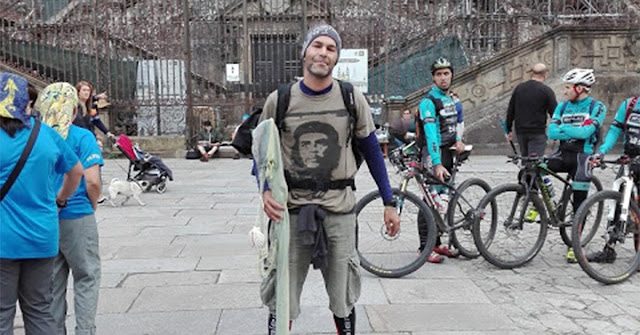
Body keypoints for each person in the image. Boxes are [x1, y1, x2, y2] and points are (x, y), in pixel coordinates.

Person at [257, 24, 399, 334]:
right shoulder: (279, 100)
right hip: (289, 213)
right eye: (317, 45)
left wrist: (389, 201)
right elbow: (261, 155)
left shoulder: (351, 98)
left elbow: (373, 152)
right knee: (281, 296)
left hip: (339, 212)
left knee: (343, 296)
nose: (323, 52)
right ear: (305, 51)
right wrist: (266, 189)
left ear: (336, 57)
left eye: (330, 48)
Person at [0, 73, 83, 335]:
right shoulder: (45, 135)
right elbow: (77, 172)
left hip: (2, 241)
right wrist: (61, 199)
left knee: (2, 313)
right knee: (39, 309)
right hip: (42, 236)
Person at [38, 82, 104, 335]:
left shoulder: (39, 138)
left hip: (47, 217)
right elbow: (92, 181)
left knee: (53, 283)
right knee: (86, 277)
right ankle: (85, 331)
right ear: (74, 111)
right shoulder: (82, 137)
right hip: (77, 214)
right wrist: (93, 204)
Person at [546, 68, 606, 263]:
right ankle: (542, 202)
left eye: (568, 87)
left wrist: (563, 128)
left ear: (580, 89)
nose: (564, 91)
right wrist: (571, 130)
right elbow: (551, 133)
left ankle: (576, 244)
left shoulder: (597, 107)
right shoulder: (562, 107)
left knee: (580, 200)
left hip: (583, 157)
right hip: (563, 154)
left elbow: (585, 133)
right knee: (530, 169)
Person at [416, 57, 465, 263]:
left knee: (443, 200)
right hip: (432, 153)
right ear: (433, 78)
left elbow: (460, 120)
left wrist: (460, 139)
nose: (443, 78)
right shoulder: (429, 101)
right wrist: (436, 162)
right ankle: (424, 247)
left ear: (451, 75)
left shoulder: (453, 100)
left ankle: (436, 243)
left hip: (449, 152)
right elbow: (430, 134)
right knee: (429, 200)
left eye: (446, 73)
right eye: (438, 74)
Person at [589, 95, 640, 262]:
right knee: (618, 204)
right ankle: (609, 250)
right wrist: (602, 152)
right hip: (629, 161)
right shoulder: (630, 105)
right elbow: (615, 130)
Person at [505, 63, 558, 157]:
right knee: (535, 161)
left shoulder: (519, 88)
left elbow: (511, 110)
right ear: (545, 75)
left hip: (521, 131)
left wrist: (508, 129)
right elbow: (554, 113)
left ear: (531, 74)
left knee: (525, 159)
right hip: (537, 131)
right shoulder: (546, 91)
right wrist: (557, 131)